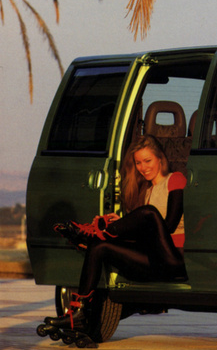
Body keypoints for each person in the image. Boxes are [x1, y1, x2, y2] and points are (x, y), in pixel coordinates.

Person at [44, 135, 188, 332]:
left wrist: (126, 224)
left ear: (160, 158)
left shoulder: (176, 179)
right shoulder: (147, 191)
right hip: (153, 260)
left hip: (173, 258)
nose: (143, 167)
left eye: (148, 161)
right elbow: (147, 235)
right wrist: (122, 224)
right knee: (99, 247)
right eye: (138, 163)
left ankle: (96, 234)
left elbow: (168, 226)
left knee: (148, 213)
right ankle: (79, 312)